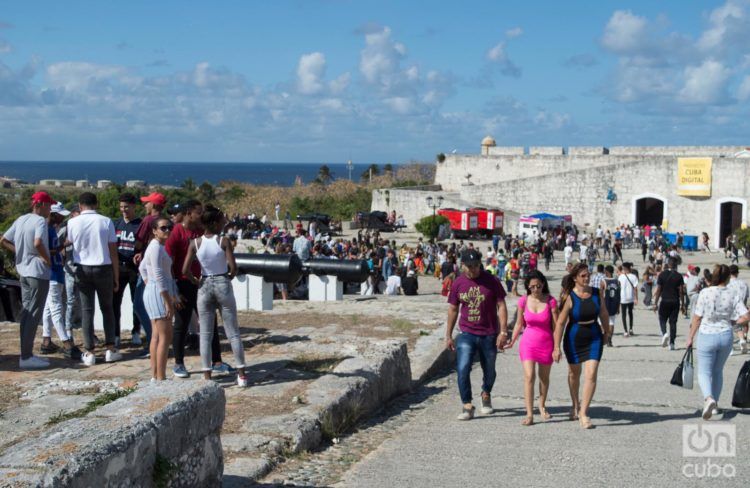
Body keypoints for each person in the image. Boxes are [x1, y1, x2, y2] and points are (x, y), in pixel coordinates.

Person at [182, 205, 249, 387]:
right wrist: (229, 277)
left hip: (204, 283)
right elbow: (233, 267)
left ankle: (207, 376)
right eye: (221, 222)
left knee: (205, 333)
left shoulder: (194, 243)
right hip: (221, 281)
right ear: (214, 223)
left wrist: (196, 281)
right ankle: (241, 374)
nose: (223, 224)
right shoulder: (223, 241)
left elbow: (185, 270)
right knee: (233, 332)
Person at [166, 200, 230, 378]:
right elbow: (168, 262)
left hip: (201, 283)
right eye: (198, 212)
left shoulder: (201, 231)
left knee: (210, 322)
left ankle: (216, 361)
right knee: (181, 323)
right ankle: (179, 363)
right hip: (183, 283)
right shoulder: (177, 232)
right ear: (188, 213)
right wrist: (173, 290)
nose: (201, 215)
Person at [445, 249, 509, 421]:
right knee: (463, 367)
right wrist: (448, 335)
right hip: (466, 332)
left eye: (476, 266)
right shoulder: (458, 283)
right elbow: (452, 309)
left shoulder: (492, 281)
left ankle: (486, 393)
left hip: (489, 333)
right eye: (469, 266)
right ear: (462, 265)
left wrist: (503, 332)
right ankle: (467, 404)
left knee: (489, 369)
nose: (473, 269)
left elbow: (501, 305)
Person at [686, 264, 750, 419]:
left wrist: (690, 337)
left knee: (704, 371)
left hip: (707, 334)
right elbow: (746, 316)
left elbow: (697, 317)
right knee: (717, 371)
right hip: (725, 335)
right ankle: (715, 405)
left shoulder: (705, 292)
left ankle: (709, 399)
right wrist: (734, 323)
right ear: (728, 277)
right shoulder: (733, 293)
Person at [0, 191, 54, 369]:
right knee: (33, 314)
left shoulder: (21, 219)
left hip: (23, 271)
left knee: (26, 312)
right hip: (37, 272)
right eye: (49, 205)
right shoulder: (40, 221)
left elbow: (3, 240)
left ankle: (25, 353)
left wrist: (21, 252)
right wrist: (46, 259)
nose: (50, 209)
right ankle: (26, 356)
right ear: (42, 205)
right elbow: (38, 242)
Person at [66, 192, 121, 366]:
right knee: (107, 308)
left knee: (87, 310)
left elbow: (71, 242)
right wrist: (116, 275)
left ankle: (89, 351)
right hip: (103, 268)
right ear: (96, 203)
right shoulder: (106, 221)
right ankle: (110, 348)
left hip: (82, 268)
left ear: (80, 205)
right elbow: (113, 251)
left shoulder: (72, 222)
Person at [554, 263, 609, 429]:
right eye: (583, 276)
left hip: (594, 336)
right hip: (574, 338)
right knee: (574, 374)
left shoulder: (596, 293)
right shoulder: (569, 297)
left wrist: (606, 332)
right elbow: (561, 323)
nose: (586, 279)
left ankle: (584, 413)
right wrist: (556, 347)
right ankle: (575, 404)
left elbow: (604, 313)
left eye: (588, 275)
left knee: (591, 374)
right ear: (575, 278)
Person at [507, 270, 558, 426]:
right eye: (533, 287)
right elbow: (518, 323)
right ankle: (529, 414)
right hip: (528, 343)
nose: (536, 289)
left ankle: (542, 405)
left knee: (544, 378)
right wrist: (512, 340)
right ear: (528, 287)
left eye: (539, 286)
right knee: (529, 376)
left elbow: (557, 327)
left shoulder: (551, 301)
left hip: (546, 343)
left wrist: (557, 347)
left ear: (543, 284)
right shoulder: (523, 301)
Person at [40, 202, 82, 360]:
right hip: (53, 273)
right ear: (52, 214)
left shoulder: (50, 229)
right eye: (58, 215)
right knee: (57, 308)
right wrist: (62, 246)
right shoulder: (46, 229)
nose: (61, 219)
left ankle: (46, 340)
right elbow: (43, 249)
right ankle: (66, 343)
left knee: (48, 308)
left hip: (55, 272)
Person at [139, 217, 178, 381]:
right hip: (159, 292)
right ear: (154, 230)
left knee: (157, 335)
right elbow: (159, 274)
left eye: (170, 227)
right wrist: (168, 300)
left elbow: (142, 267)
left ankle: (156, 376)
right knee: (164, 336)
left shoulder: (156, 246)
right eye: (163, 228)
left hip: (155, 290)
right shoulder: (156, 247)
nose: (167, 230)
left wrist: (149, 283)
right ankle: (160, 377)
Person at [133, 192, 167, 355]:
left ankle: (152, 340)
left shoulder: (148, 220)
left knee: (139, 305)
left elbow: (138, 241)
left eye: (147, 203)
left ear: (153, 205)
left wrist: (140, 251)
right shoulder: (166, 221)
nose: (145, 205)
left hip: (148, 269)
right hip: (161, 267)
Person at [113, 193, 142, 347]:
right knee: (115, 302)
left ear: (133, 207)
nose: (124, 210)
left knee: (135, 301)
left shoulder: (140, 224)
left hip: (134, 268)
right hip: (118, 267)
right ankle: (116, 334)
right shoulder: (115, 224)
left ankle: (136, 331)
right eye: (121, 207)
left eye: (127, 207)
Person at [652, 258, 685, 350]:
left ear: (667, 264)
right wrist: (683, 304)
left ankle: (664, 333)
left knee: (662, 318)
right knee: (673, 322)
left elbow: (659, 290)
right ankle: (672, 343)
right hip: (675, 301)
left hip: (665, 300)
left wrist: (655, 303)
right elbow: (681, 291)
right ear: (675, 265)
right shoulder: (679, 276)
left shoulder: (662, 275)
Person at [727, 264, 749, 354]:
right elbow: (747, 297)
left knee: (728, 327)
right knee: (738, 326)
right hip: (741, 308)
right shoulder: (744, 283)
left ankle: (730, 347)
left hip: (730, 308)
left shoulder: (727, 284)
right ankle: (742, 339)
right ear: (737, 273)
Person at [618, 262, 638, 336]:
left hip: (623, 298)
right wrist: (636, 298)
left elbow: (619, 287)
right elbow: (635, 288)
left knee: (623, 314)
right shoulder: (634, 276)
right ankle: (631, 329)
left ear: (624, 268)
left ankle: (625, 331)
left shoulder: (621, 277)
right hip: (631, 297)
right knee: (630, 313)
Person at [603, 265, 620, 347]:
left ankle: (604, 338)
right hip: (614, 304)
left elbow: (600, 294)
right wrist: (618, 306)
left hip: (606, 303)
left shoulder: (603, 281)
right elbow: (619, 295)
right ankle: (609, 339)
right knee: (611, 322)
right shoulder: (617, 281)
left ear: (607, 272)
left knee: (601, 322)